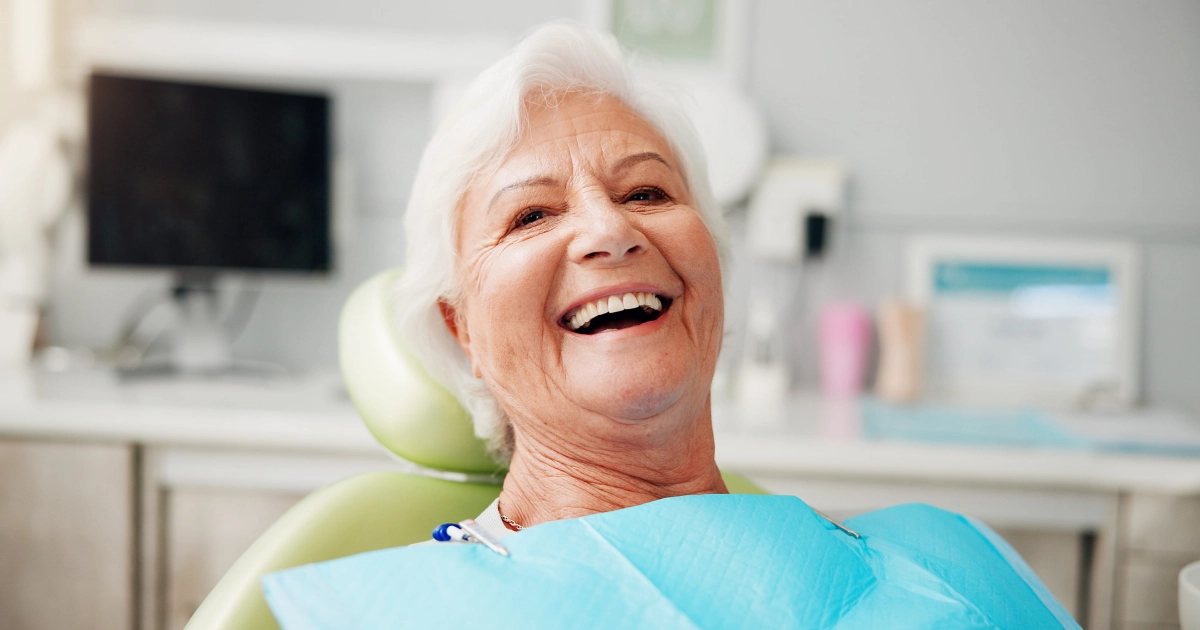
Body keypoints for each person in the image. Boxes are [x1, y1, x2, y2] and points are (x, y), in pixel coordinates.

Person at [395, 21, 730, 537]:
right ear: (462, 329)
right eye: (530, 216)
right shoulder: (442, 588)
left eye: (645, 193)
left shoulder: (842, 554)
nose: (611, 231)